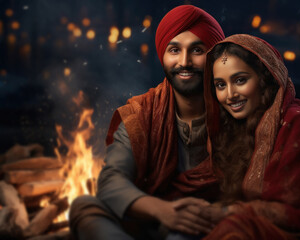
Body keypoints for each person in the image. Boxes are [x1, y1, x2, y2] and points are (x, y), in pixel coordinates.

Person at [69, 5, 225, 240]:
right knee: (84, 206)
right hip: (152, 219)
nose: (184, 61)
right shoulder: (142, 113)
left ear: (214, 56)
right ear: (163, 55)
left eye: (197, 50)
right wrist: (164, 211)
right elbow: (111, 181)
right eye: (174, 50)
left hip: (210, 224)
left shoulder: (235, 109)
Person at [200, 34, 300, 239]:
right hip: (253, 218)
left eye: (240, 80)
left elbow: (297, 206)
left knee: (233, 231)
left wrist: (228, 212)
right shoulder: (230, 126)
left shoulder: (297, 121)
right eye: (220, 85)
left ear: (265, 77)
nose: (230, 94)